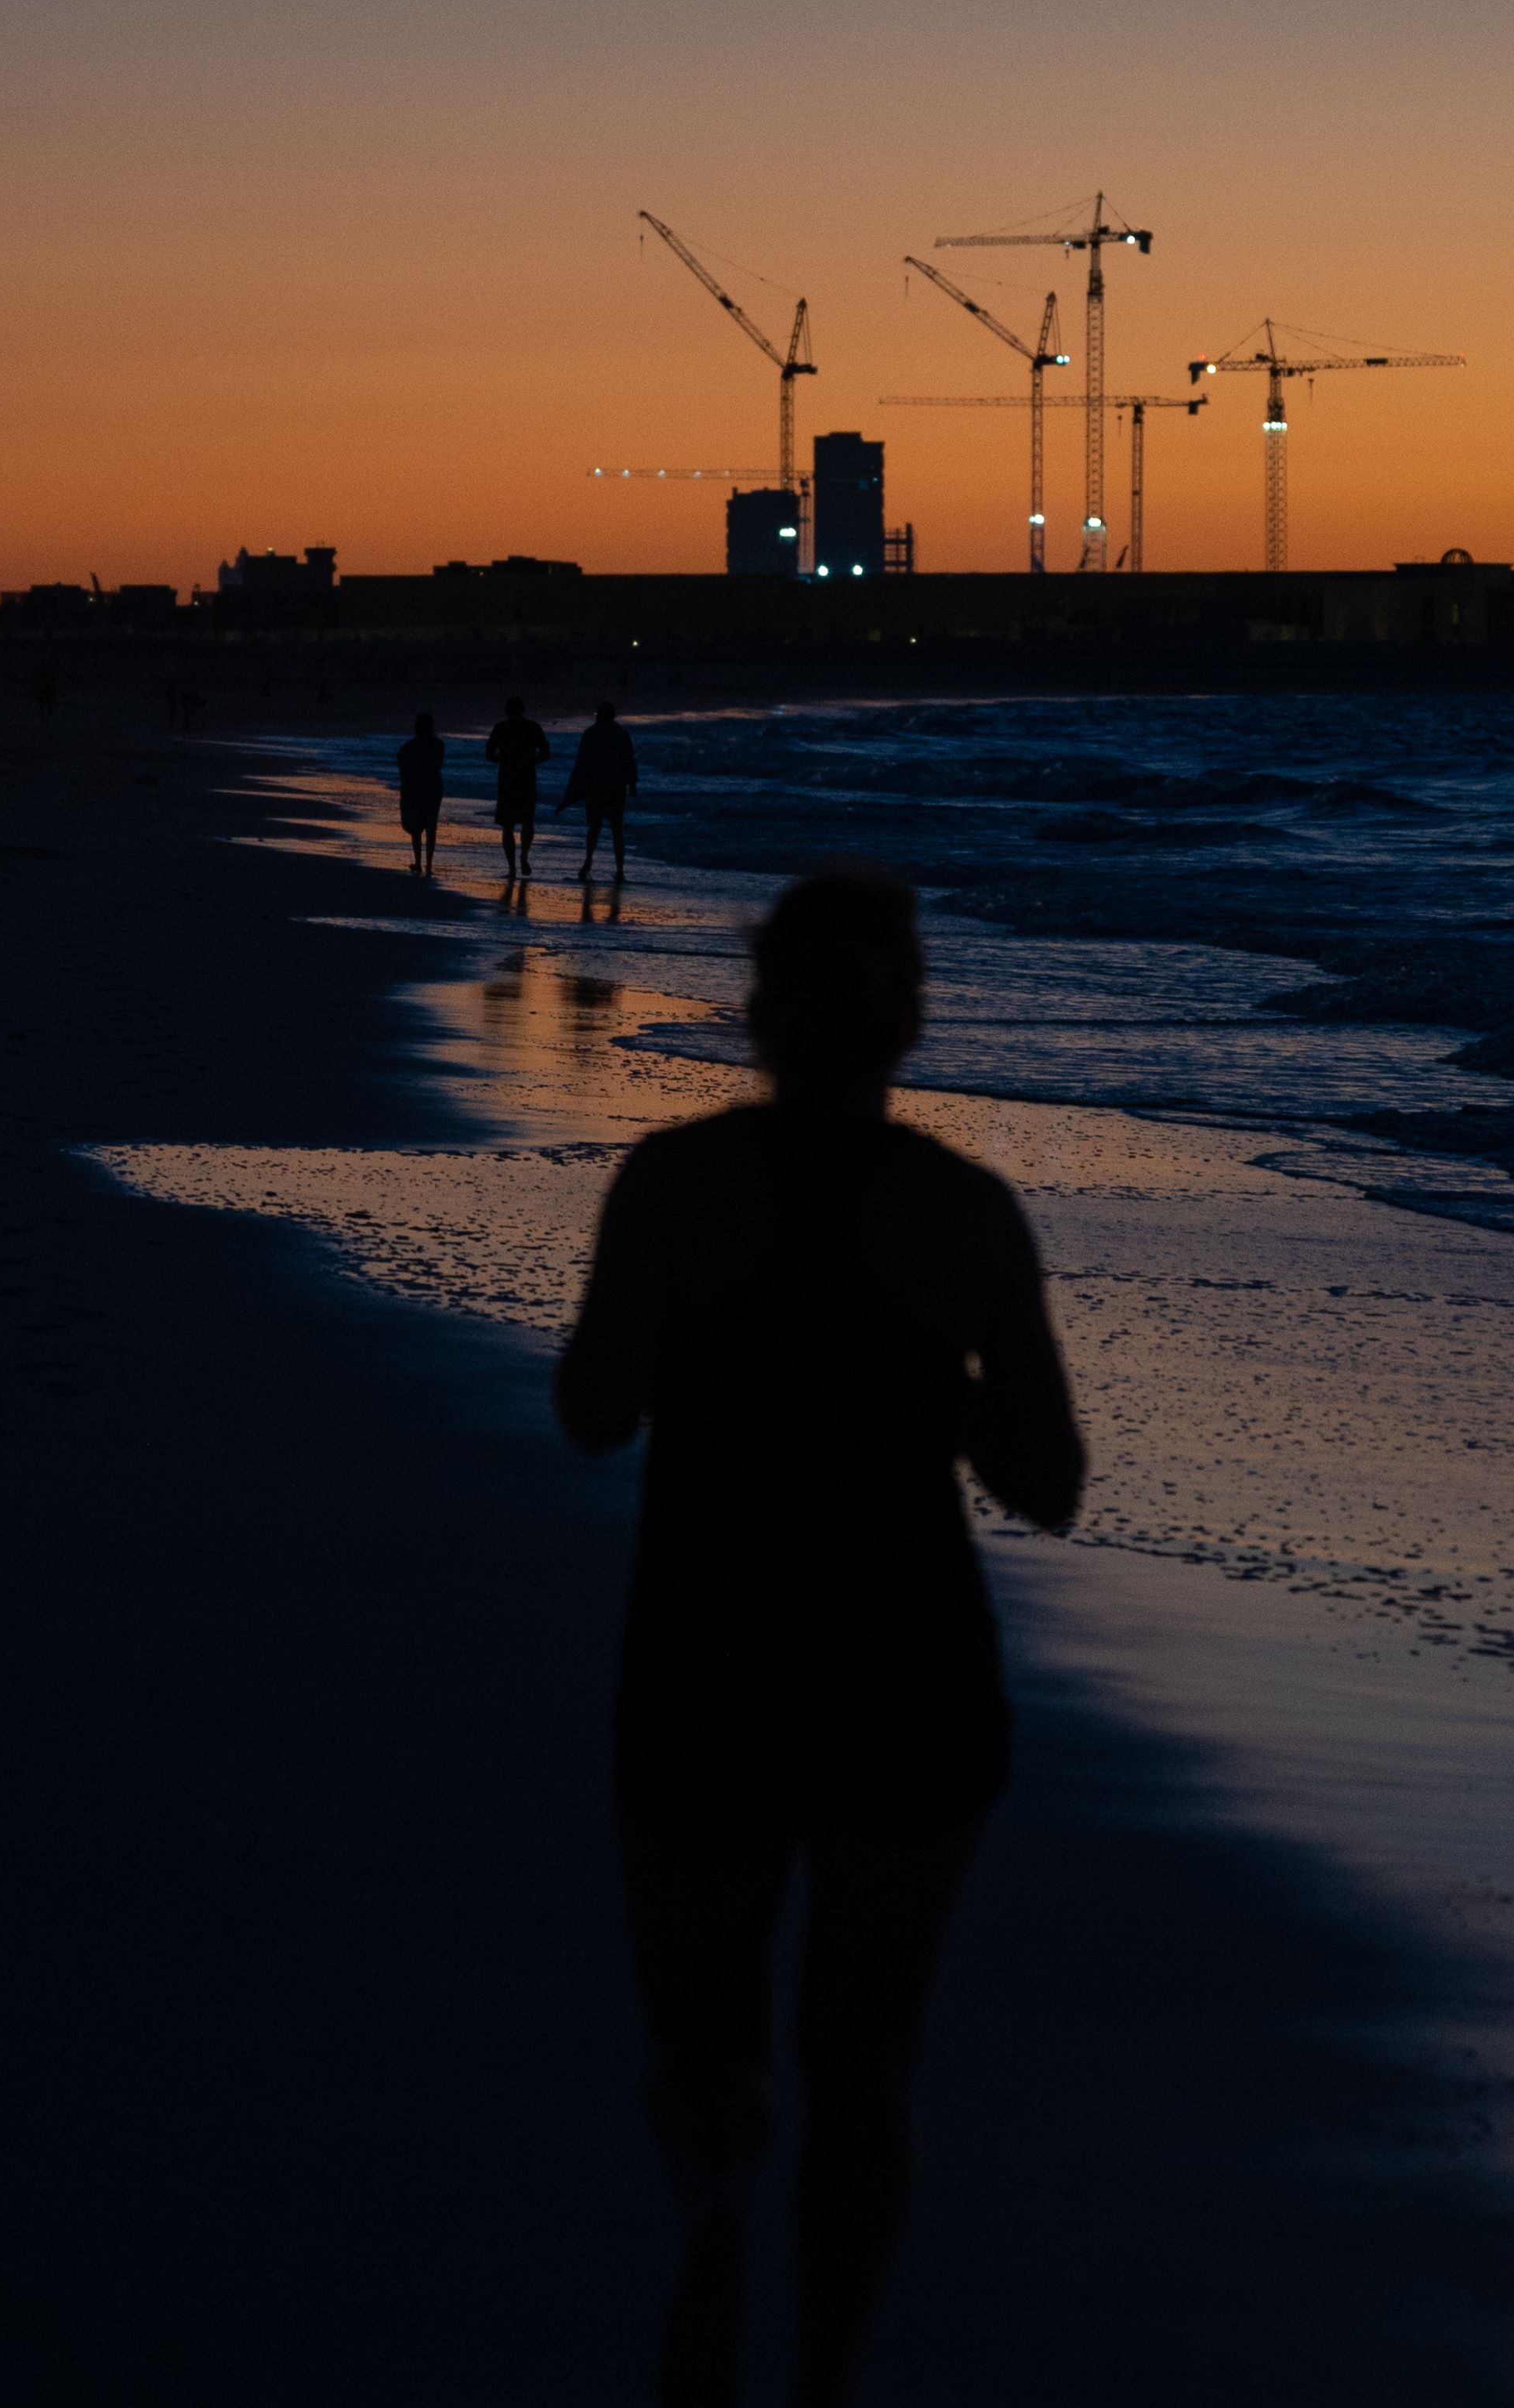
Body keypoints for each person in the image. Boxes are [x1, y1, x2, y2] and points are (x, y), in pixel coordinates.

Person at [556, 870, 1080, 2408]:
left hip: (706, 1651)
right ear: (907, 1019)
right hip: (907, 1667)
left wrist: (663, 1329)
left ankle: (718, 2212)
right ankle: (826, 2383)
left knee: (711, 2040)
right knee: (866, 2066)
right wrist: (934, 1386)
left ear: (757, 1017)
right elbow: (1047, 1483)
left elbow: (595, 1416)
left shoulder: (671, 1182)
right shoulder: (963, 1212)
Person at [557, 698, 639, 889]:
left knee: (594, 827)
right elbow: (630, 760)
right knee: (617, 829)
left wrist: (572, 793)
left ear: (599, 715)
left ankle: (588, 862)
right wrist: (632, 783)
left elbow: (581, 764)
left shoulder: (590, 734)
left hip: (596, 787)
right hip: (616, 787)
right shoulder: (621, 734)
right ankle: (619, 869)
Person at [484, 694, 550, 892]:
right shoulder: (533, 727)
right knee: (527, 822)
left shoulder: (501, 728)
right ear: (523, 710)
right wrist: (530, 762)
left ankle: (512, 867)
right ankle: (524, 857)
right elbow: (546, 753)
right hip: (527, 778)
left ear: (507, 711)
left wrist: (506, 761)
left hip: (507, 779)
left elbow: (489, 754)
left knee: (508, 825)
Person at [397, 710, 447, 877]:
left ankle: (418, 863)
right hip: (433, 787)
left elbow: (403, 768)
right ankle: (429, 865)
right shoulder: (438, 745)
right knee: (431, 826)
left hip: (414, 786)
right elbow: (438, 765)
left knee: (416, 827)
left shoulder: (407, 747)